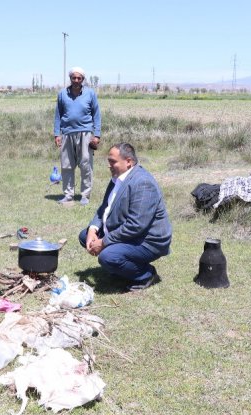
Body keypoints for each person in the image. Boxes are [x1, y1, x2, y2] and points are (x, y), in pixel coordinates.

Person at [79, 143, 172, 291]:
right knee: (85, 236)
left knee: (108, 256)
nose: (109, 166)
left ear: (128, 161)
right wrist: (92, 229)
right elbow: (104, 208)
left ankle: (145, 274)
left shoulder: (143, 183)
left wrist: (104, 242)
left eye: (113, 162)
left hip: (149, 240)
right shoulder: (118, 178)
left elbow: (136, 225)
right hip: (131, 234)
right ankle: (122, 269)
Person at [53, 66, 101, 206]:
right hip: (67, 133)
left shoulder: (90, 94)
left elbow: (96, 115)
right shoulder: (62, 94)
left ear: (83, 79)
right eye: (74, 78)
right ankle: (68, 195)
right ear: (70, 79)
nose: (76, 80)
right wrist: (57, 134)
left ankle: (85, 195)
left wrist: (96, 135)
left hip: (86, 133)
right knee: (67, 165)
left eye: (79, 78)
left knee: (86, 164)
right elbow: (58, 115)